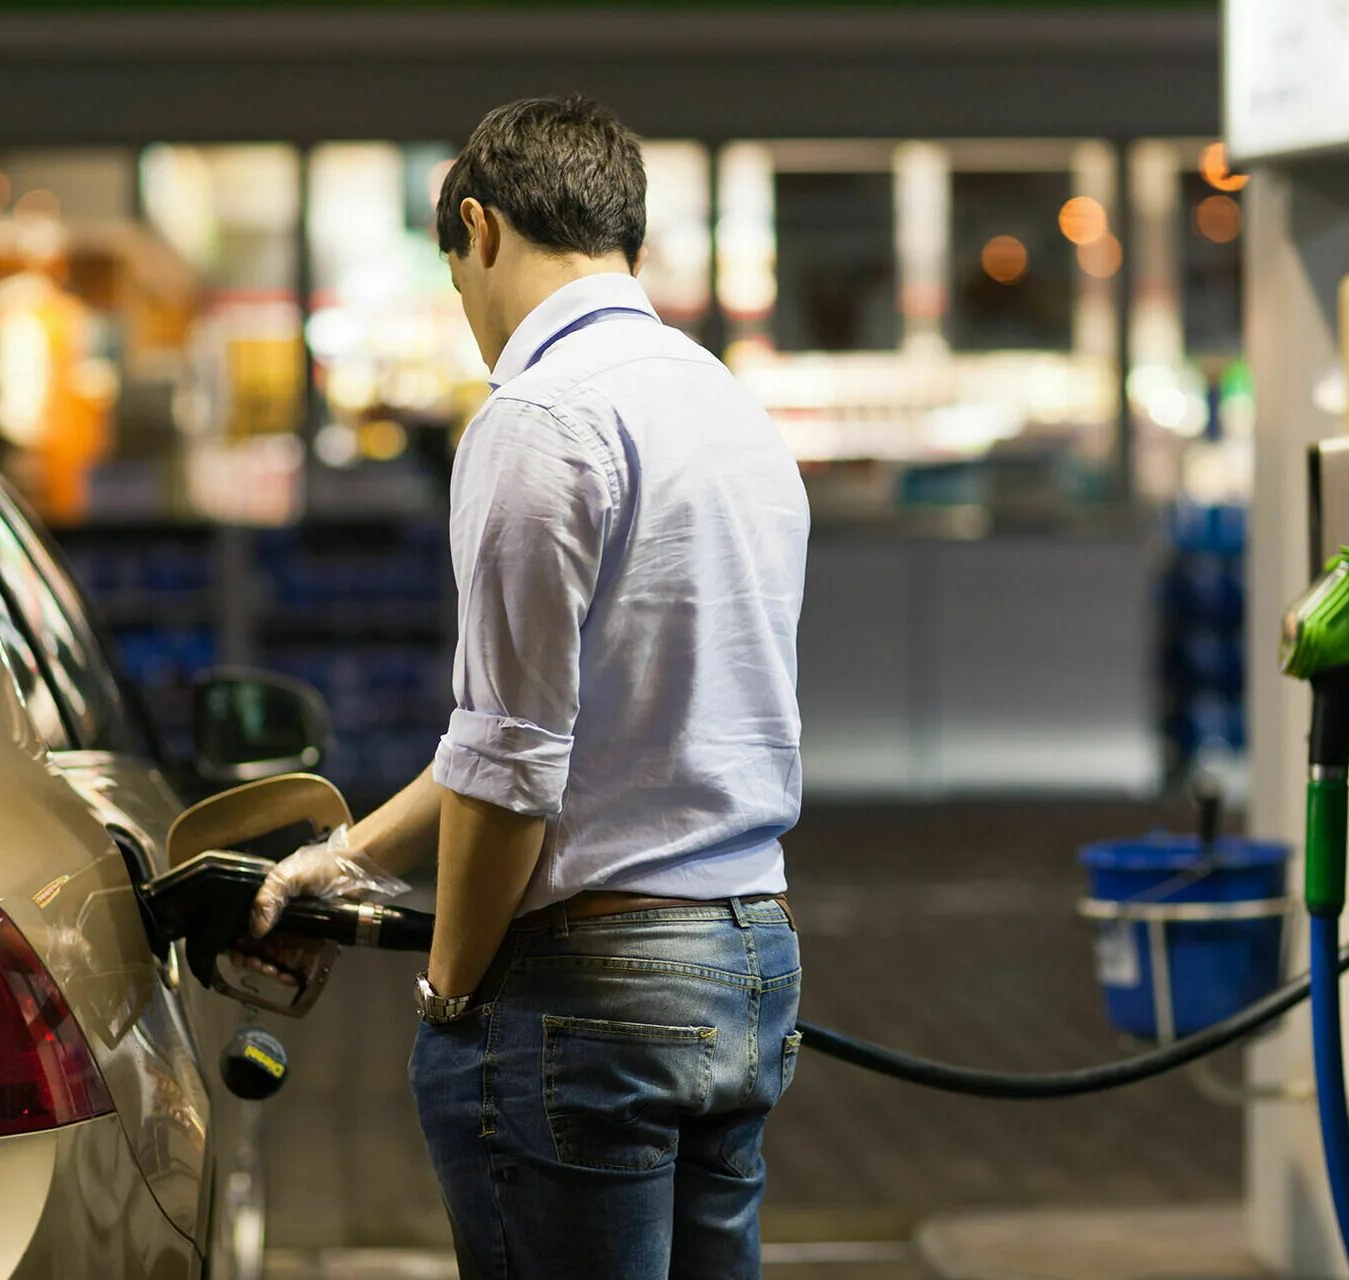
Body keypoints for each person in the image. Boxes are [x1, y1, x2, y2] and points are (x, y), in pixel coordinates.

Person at [249, 94, 811, 1279]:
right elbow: (560, 734)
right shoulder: (729, 407)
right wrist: (347, 856)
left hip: (588, 992)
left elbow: (513, 763)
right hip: (746, 962)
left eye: (454, 279)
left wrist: (452, 997)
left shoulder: (538, 413)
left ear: (480, 227)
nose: (467, 314)